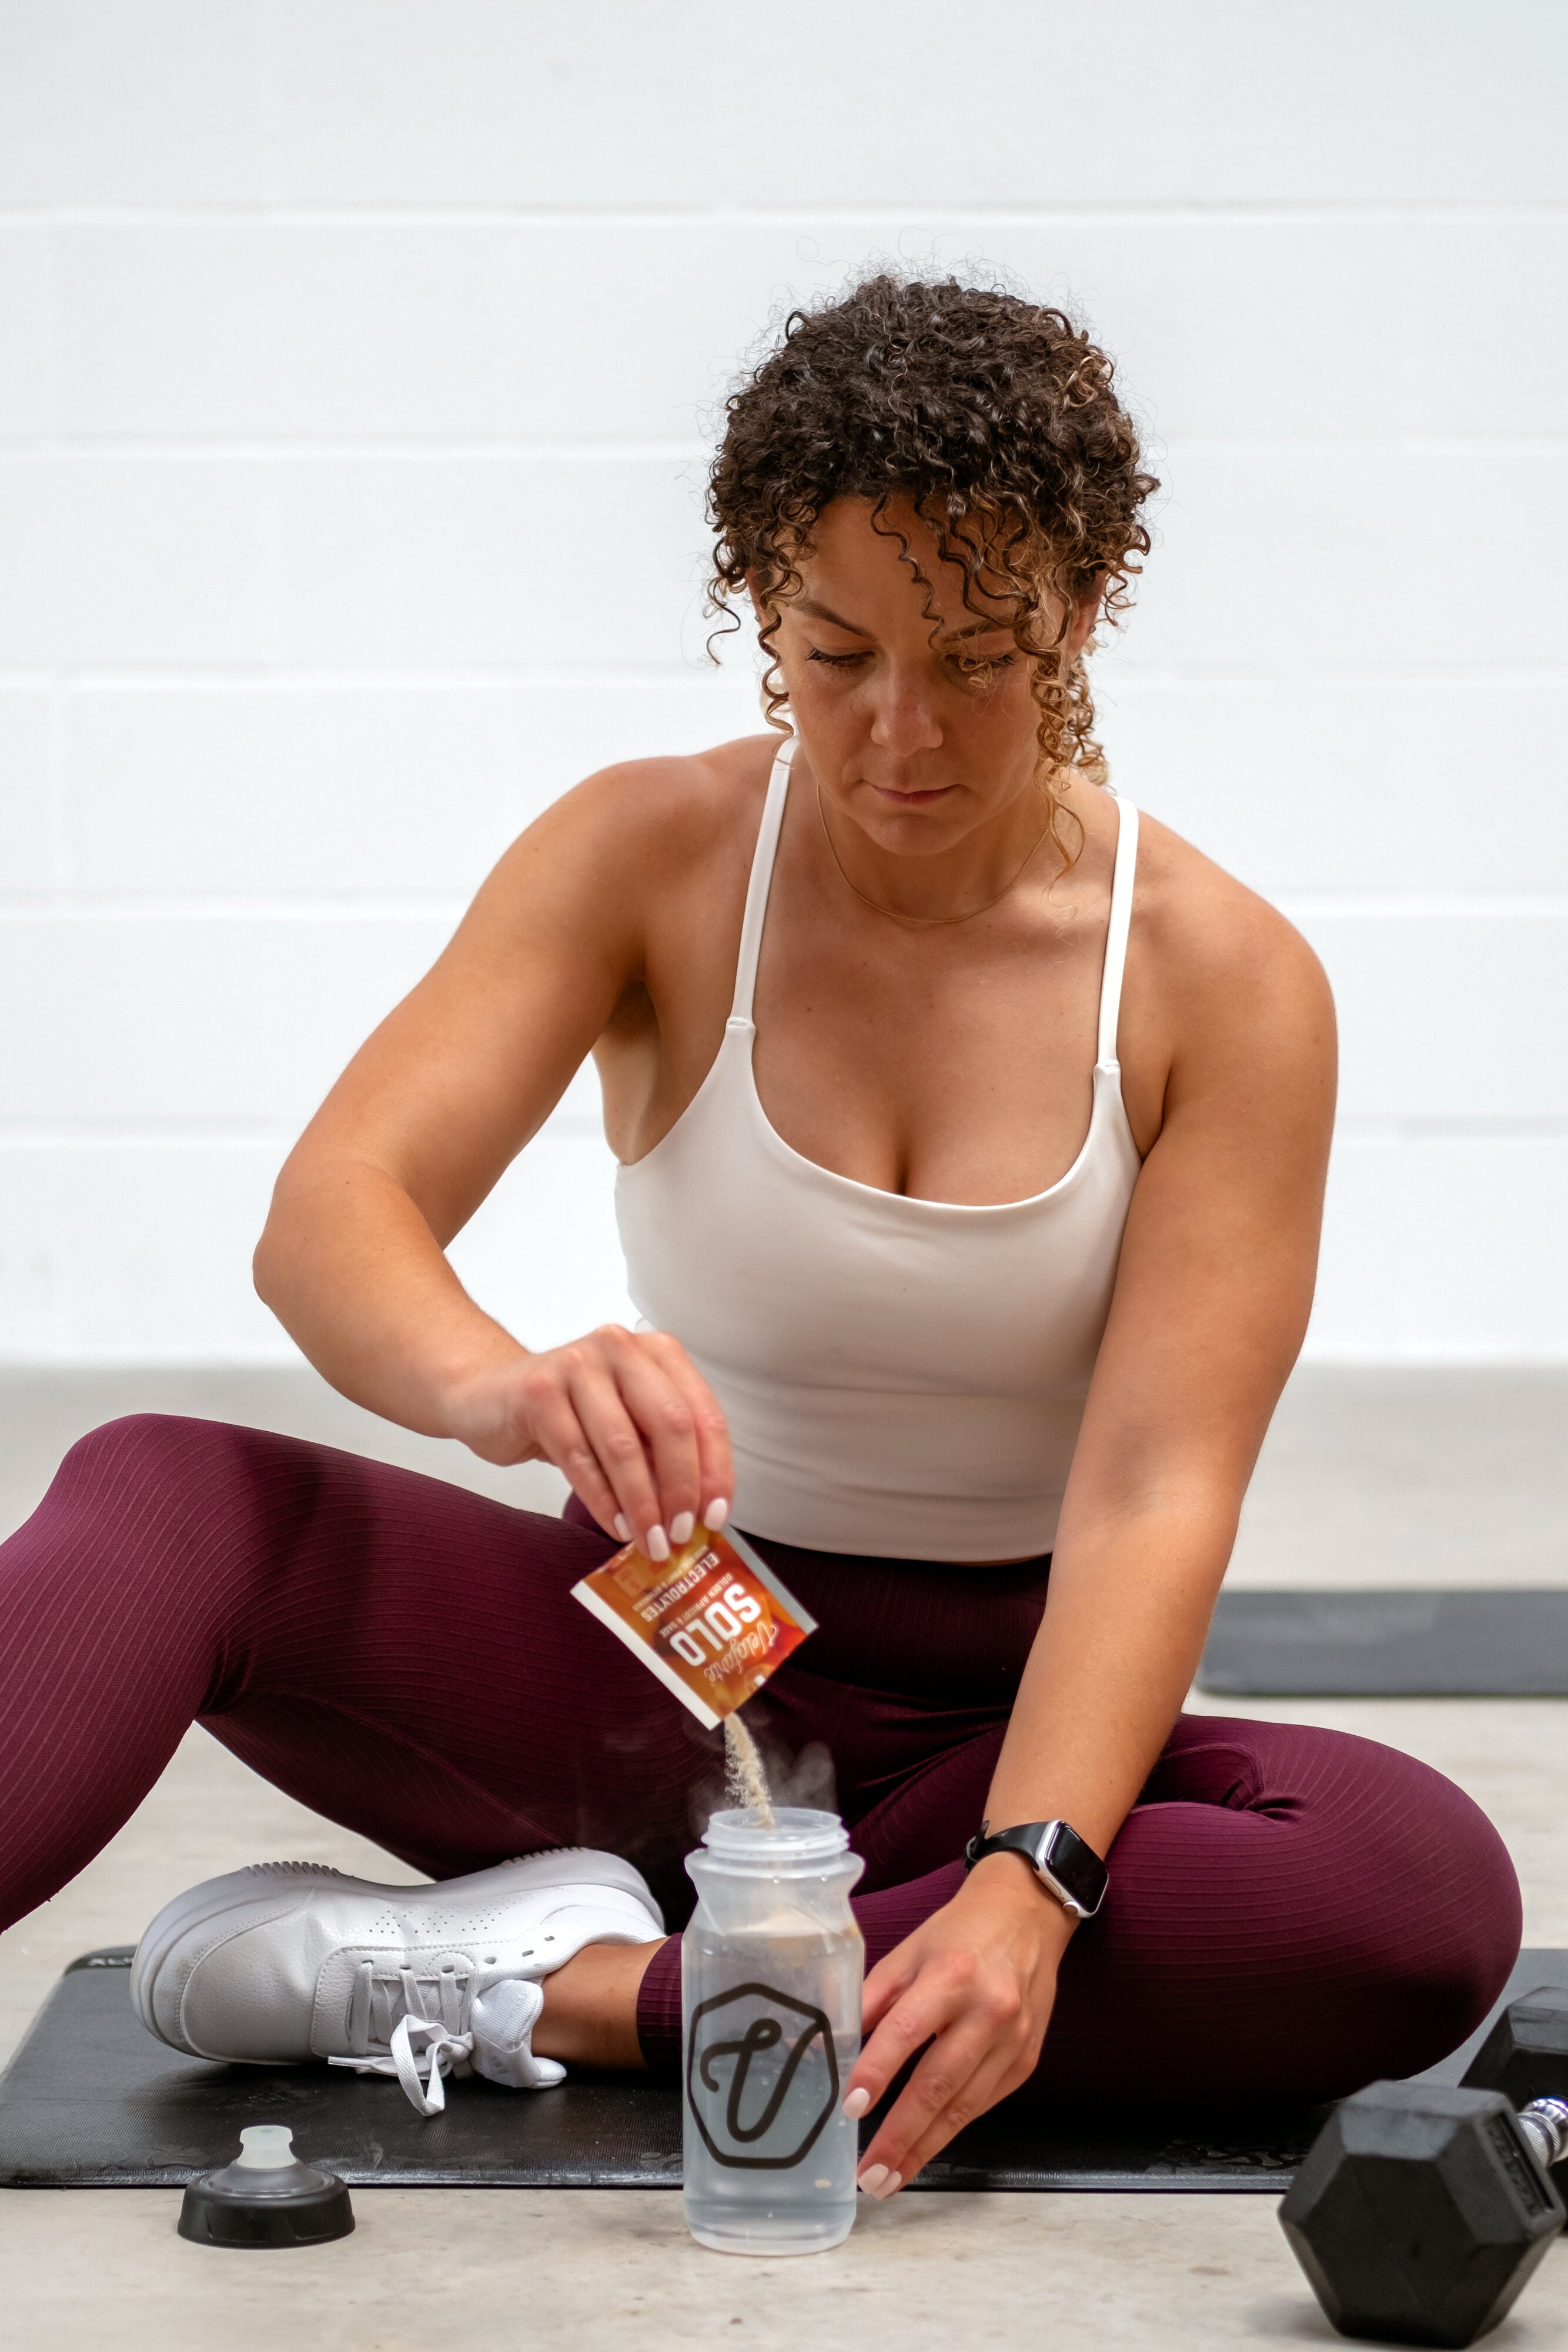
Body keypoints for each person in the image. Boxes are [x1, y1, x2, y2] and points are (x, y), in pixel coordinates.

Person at [0, 274, 1519, 2194]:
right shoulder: (646, 855)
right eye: (831, 650)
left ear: (1077, 608)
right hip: (652, 1678)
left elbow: (1152, 1491)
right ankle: (749, 1977)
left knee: (1407, 1890)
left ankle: (539, 1986)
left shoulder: (1218, 981)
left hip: (979, 1744)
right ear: (758, 607)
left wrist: (1031, 1887)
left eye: (978, 654)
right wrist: (504, 1379)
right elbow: (335, 1213)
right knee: (164, 1490)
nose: (900, 729)